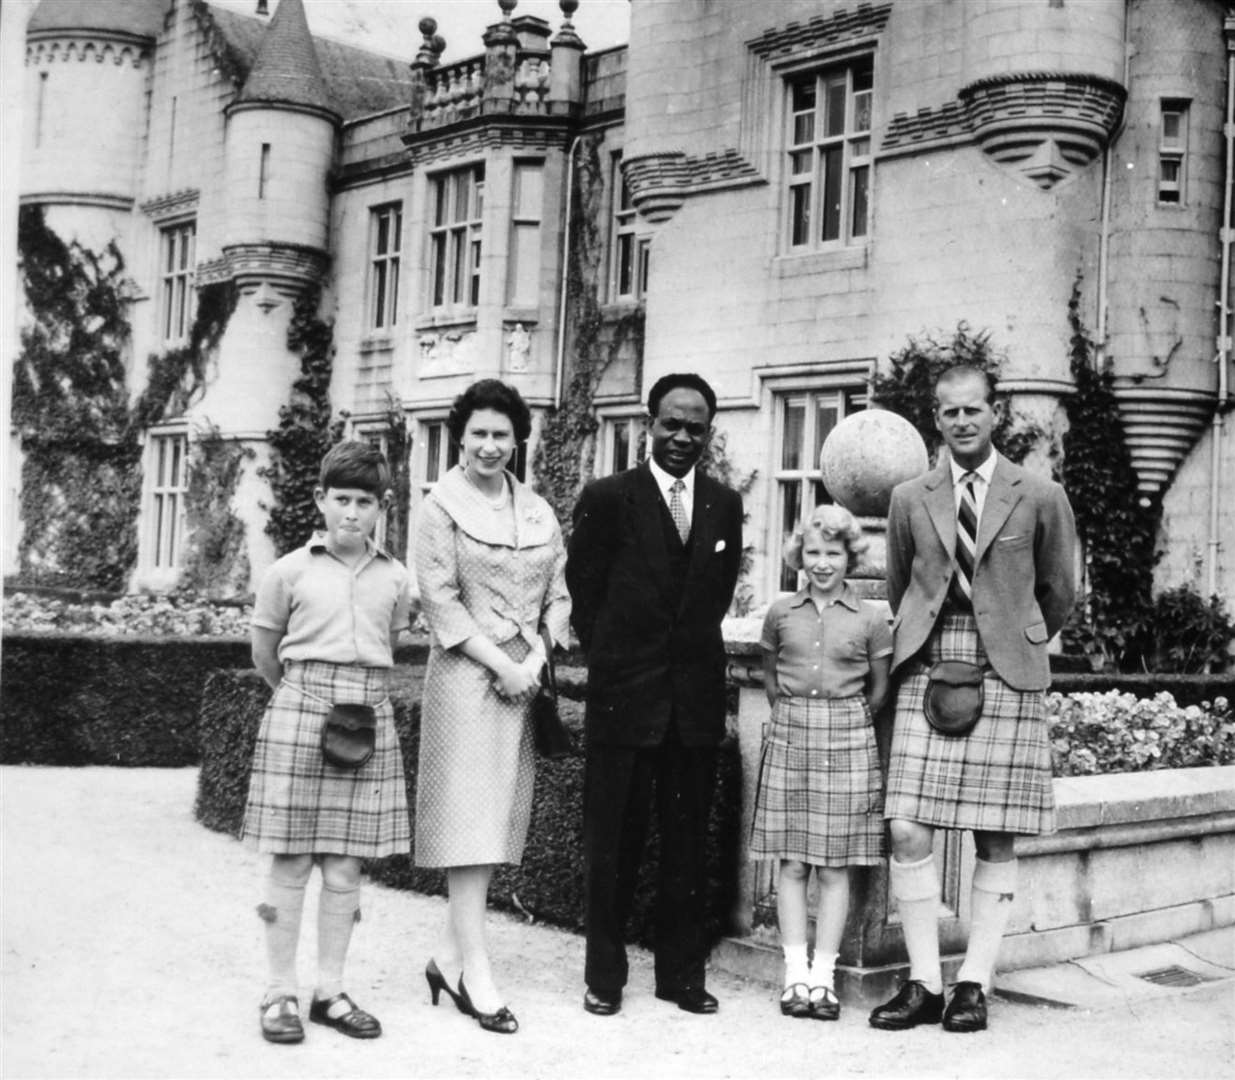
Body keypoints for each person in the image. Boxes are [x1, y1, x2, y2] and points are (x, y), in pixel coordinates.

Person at [869, 365, 1077, 1034]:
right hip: (929, 665)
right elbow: (903, 584)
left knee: (995, 835)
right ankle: (924, 983)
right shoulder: (909, 497)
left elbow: (1057, 592)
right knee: (905, 825)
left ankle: (972, 985)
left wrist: (1013, 638)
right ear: (936, 417)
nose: (961, 421)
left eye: (973, 410)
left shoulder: (1039, 495)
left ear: (995, 414)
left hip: (1006, 669)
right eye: (949, 411)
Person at [566, 372, 744, 1017]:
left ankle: (680, 977)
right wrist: (619, 664)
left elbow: (715, 597)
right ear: (650, 423)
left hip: (692, 706)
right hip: (624, 701)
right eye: (671, 423)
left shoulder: (724, 504)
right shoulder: (610, 497)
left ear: (708, 433)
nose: (682, 437)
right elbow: (584, 593)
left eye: (695, 427)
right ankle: (604, 977)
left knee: (686, 846)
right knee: (613, 844)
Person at [243, 441, 416, 1045]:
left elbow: (391, 641)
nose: (351, 512)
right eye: (340, 499)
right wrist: (303, 698)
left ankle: (330, 992)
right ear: (320, 500)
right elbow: (266, 654)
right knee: (290, 861)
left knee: (345, 866)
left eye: (364, 502)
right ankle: (278, 992)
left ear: (381, 507)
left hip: (366, 718)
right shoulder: (287, 571)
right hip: (301, 711)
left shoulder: (397, 578)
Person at [414, 379, 570, 1036]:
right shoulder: (438, 507)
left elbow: (558, 595)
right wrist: (501, 663)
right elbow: (441, 601)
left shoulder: (535, 509)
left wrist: (533, 658)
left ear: (517, 440)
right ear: (460, 437)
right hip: (465, 678)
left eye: (500, 434)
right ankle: (475, 971)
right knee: (467, 823)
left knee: (500, 819)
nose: (488, 446)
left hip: (522, 683)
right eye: (477, 433)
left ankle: (447, 959)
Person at [750, 505, 892, 1022]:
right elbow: (769, 678)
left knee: (834, 866)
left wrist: (844, 722)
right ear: (799, 556)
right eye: (813, 552)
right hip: (791, 733)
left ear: (850, 556)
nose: (823, 562)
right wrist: (797, 716)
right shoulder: (781, 613)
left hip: (848, 736)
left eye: (833, 553)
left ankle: (823, 980)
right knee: (791, 861)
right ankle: (794, 976)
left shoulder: (871, 619)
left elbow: (879, 689)